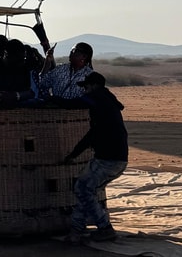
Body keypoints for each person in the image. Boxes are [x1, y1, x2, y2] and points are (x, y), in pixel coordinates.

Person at [62, 72, 128, 244]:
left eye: (85, 87)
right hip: (119, 158)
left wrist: (49, 101)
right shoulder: (108, 103)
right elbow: (91, 135)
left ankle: (105, 228)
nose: (84, 90)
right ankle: (76, 232)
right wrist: (74, 154)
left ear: (93, 86)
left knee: (83, 189)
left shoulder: (96, 98)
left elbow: (74, 104)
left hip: (108, 158)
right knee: (85, 191)